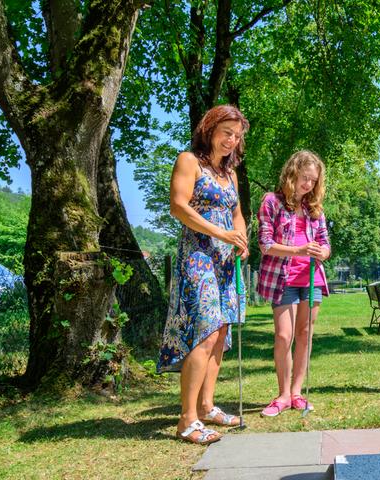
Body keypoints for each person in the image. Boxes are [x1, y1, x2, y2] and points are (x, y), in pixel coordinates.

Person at [158, 105, 250, 445]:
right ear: (209, 128)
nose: (232, 140)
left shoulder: (230, 174)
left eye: (237, 136)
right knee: (205, 332)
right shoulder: (189, 161)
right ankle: (187, 419)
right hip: (198, 257)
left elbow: (237, 213)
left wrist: (240, 238)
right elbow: (179, 206)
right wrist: (221, 233)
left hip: (225, 261)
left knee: (221, 331)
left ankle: (207, 406)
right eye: (227, 132)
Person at [257, 150, 330, 416]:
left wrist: (323, 252)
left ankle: (297, 393)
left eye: (313, 180)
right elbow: (265, 244)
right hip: (282, 278)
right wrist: (298, 251)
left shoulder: (315, 209)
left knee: (304, 335)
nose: (308, 184)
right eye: (304, 178)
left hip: (311, 279)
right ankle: (283, 394)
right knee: (283, 335)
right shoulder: (272, 202)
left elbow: (324, 243)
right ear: (292, 173)